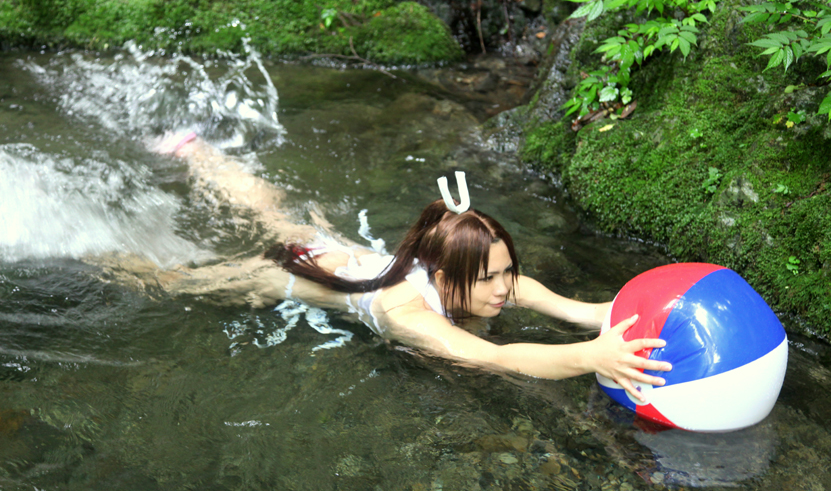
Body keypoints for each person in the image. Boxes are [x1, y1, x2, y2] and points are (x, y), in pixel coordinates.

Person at [151, 132, 670, 401]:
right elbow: (500, 358)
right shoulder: (409, 314)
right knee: (175, 283)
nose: (504, 288)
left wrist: (608, 317)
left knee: (272, 210)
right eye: (489, 279)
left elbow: (543, 296)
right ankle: (93, 255)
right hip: (288, 276)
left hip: (330, 248)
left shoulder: (478, 275)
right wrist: (592, 357)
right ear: (443, 278)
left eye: (506, 271)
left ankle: (194, 152)